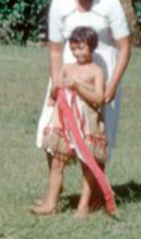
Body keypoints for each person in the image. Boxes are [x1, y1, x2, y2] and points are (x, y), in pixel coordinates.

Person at [35, 0, 131, 167]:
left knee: (96, 131)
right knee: (51, 128)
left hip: (102, 74)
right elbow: (56, 50)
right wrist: (56, 81)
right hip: (67, 72)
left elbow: (124, 47)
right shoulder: (60, 4)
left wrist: (112, 84)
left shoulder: (109, 2)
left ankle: (94, 193)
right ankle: (54, 191)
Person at [34, 27, 112, 217]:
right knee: (57, 163)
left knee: (88, 164)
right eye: (74, 48)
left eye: (81, 48)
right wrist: (56, 88)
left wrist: (78, 86)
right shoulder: (67, 68)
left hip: (87, 123)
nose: (77, 53)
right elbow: (54, 93)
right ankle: (51, 203)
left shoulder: (96, 71)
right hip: (64, 121)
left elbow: (99, 98)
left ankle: (83, 205)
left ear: (92, 47)